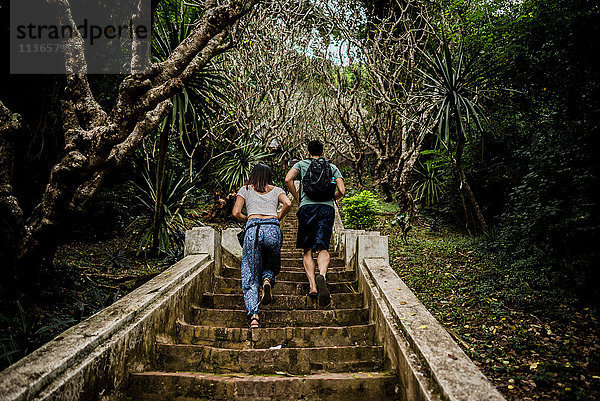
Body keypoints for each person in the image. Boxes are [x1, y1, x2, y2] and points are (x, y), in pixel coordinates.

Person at [284, 140, 345, 307]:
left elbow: (288, 179)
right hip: (326, 209)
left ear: (308, 152)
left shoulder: (302, 164)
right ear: (323, 152)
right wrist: (332, 199)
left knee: (308, 248)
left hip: (307, 208)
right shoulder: (331, 167)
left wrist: (298, 198)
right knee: (323, 247)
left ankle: (312, 286)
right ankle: (322, 276)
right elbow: (342, 190)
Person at [232, 164, 291, 329]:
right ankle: (267, 279)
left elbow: (236, 212)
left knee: (250, 271)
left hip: (253, 231)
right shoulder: (276, 189)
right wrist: (277, 217)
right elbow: (288, 203)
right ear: (268, 175)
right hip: (272, 228)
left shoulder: (245, 189)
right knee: (272, 261)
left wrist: (249, 219)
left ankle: (255, 317)